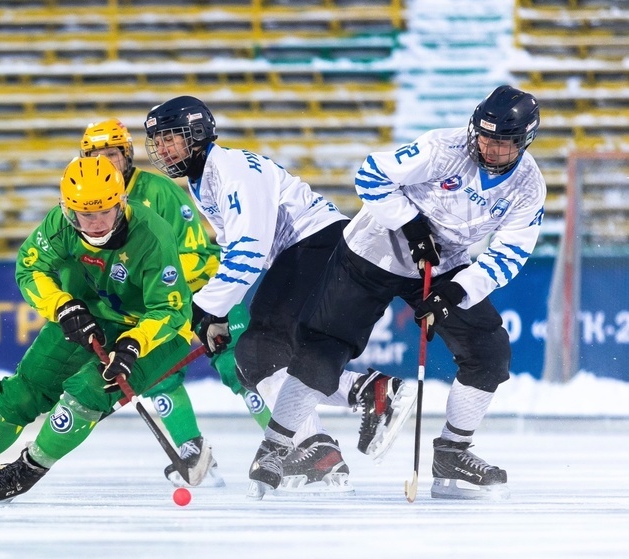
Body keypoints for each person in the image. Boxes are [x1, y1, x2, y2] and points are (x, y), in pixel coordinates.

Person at [260, 85, 545, 500]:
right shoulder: (442, 147)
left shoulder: (529, 187)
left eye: (501, 143)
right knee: (324, 350)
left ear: (523, 141)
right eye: (483, 136)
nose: (487, 147)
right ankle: (275, 447)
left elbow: (511, 253)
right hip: (372, 250)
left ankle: (452, 454)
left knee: (489, 351)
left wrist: (456, 293)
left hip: (442, 267)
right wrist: (410, 225)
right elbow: (370, 175)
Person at [143, 96, 414, 498]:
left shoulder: (229, 169)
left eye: (170, 139)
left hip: (314, 247)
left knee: (257, 354)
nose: (162, 150)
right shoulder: (206, 179)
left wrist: (205, 309)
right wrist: (215, 314)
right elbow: (243, 246)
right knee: (272, 359)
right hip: (315, 250)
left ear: (197, 135)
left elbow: (250, 249)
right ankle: (334, 432)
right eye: (157, 142)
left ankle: (355, 408)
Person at [0, 155, 203, 502]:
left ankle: (29, 467)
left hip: (157, 331)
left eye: (105, 212)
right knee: (24, 388)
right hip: (89, 314)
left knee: (88, 390)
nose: (95, 223)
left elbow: (168, 309)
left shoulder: (153, 236)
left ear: (121, 202)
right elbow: (30, 268)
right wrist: (62, 306)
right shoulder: (59, 225)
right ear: (68, 210)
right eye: (85, 214)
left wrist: (132, 345)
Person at [76, 119, 271, 487]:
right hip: (152, 303)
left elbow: (194, 251)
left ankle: (288, 444)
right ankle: (193, 451)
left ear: (127, 155)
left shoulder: (159, 192)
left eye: (112, 154)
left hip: (203, 290)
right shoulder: (88, 200)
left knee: (242, 366)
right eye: (96, 155)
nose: (106, 162)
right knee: (157, 377)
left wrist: (163, 286)